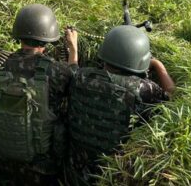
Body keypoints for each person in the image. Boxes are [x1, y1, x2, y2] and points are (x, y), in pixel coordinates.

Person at [67, 25, 175, 184]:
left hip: (75, 173)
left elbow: (72, 69)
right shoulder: (144, 89)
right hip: (113, 176)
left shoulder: (82, 78)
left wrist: (73, 48)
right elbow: (173, 97)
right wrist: (158, 65)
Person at [0, 3, 79, 185]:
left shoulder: (0, 65)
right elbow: (75, 81)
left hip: (4, 162)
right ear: (48, 38)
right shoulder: (56, 71)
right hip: (44, 170)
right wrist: (73, 49)